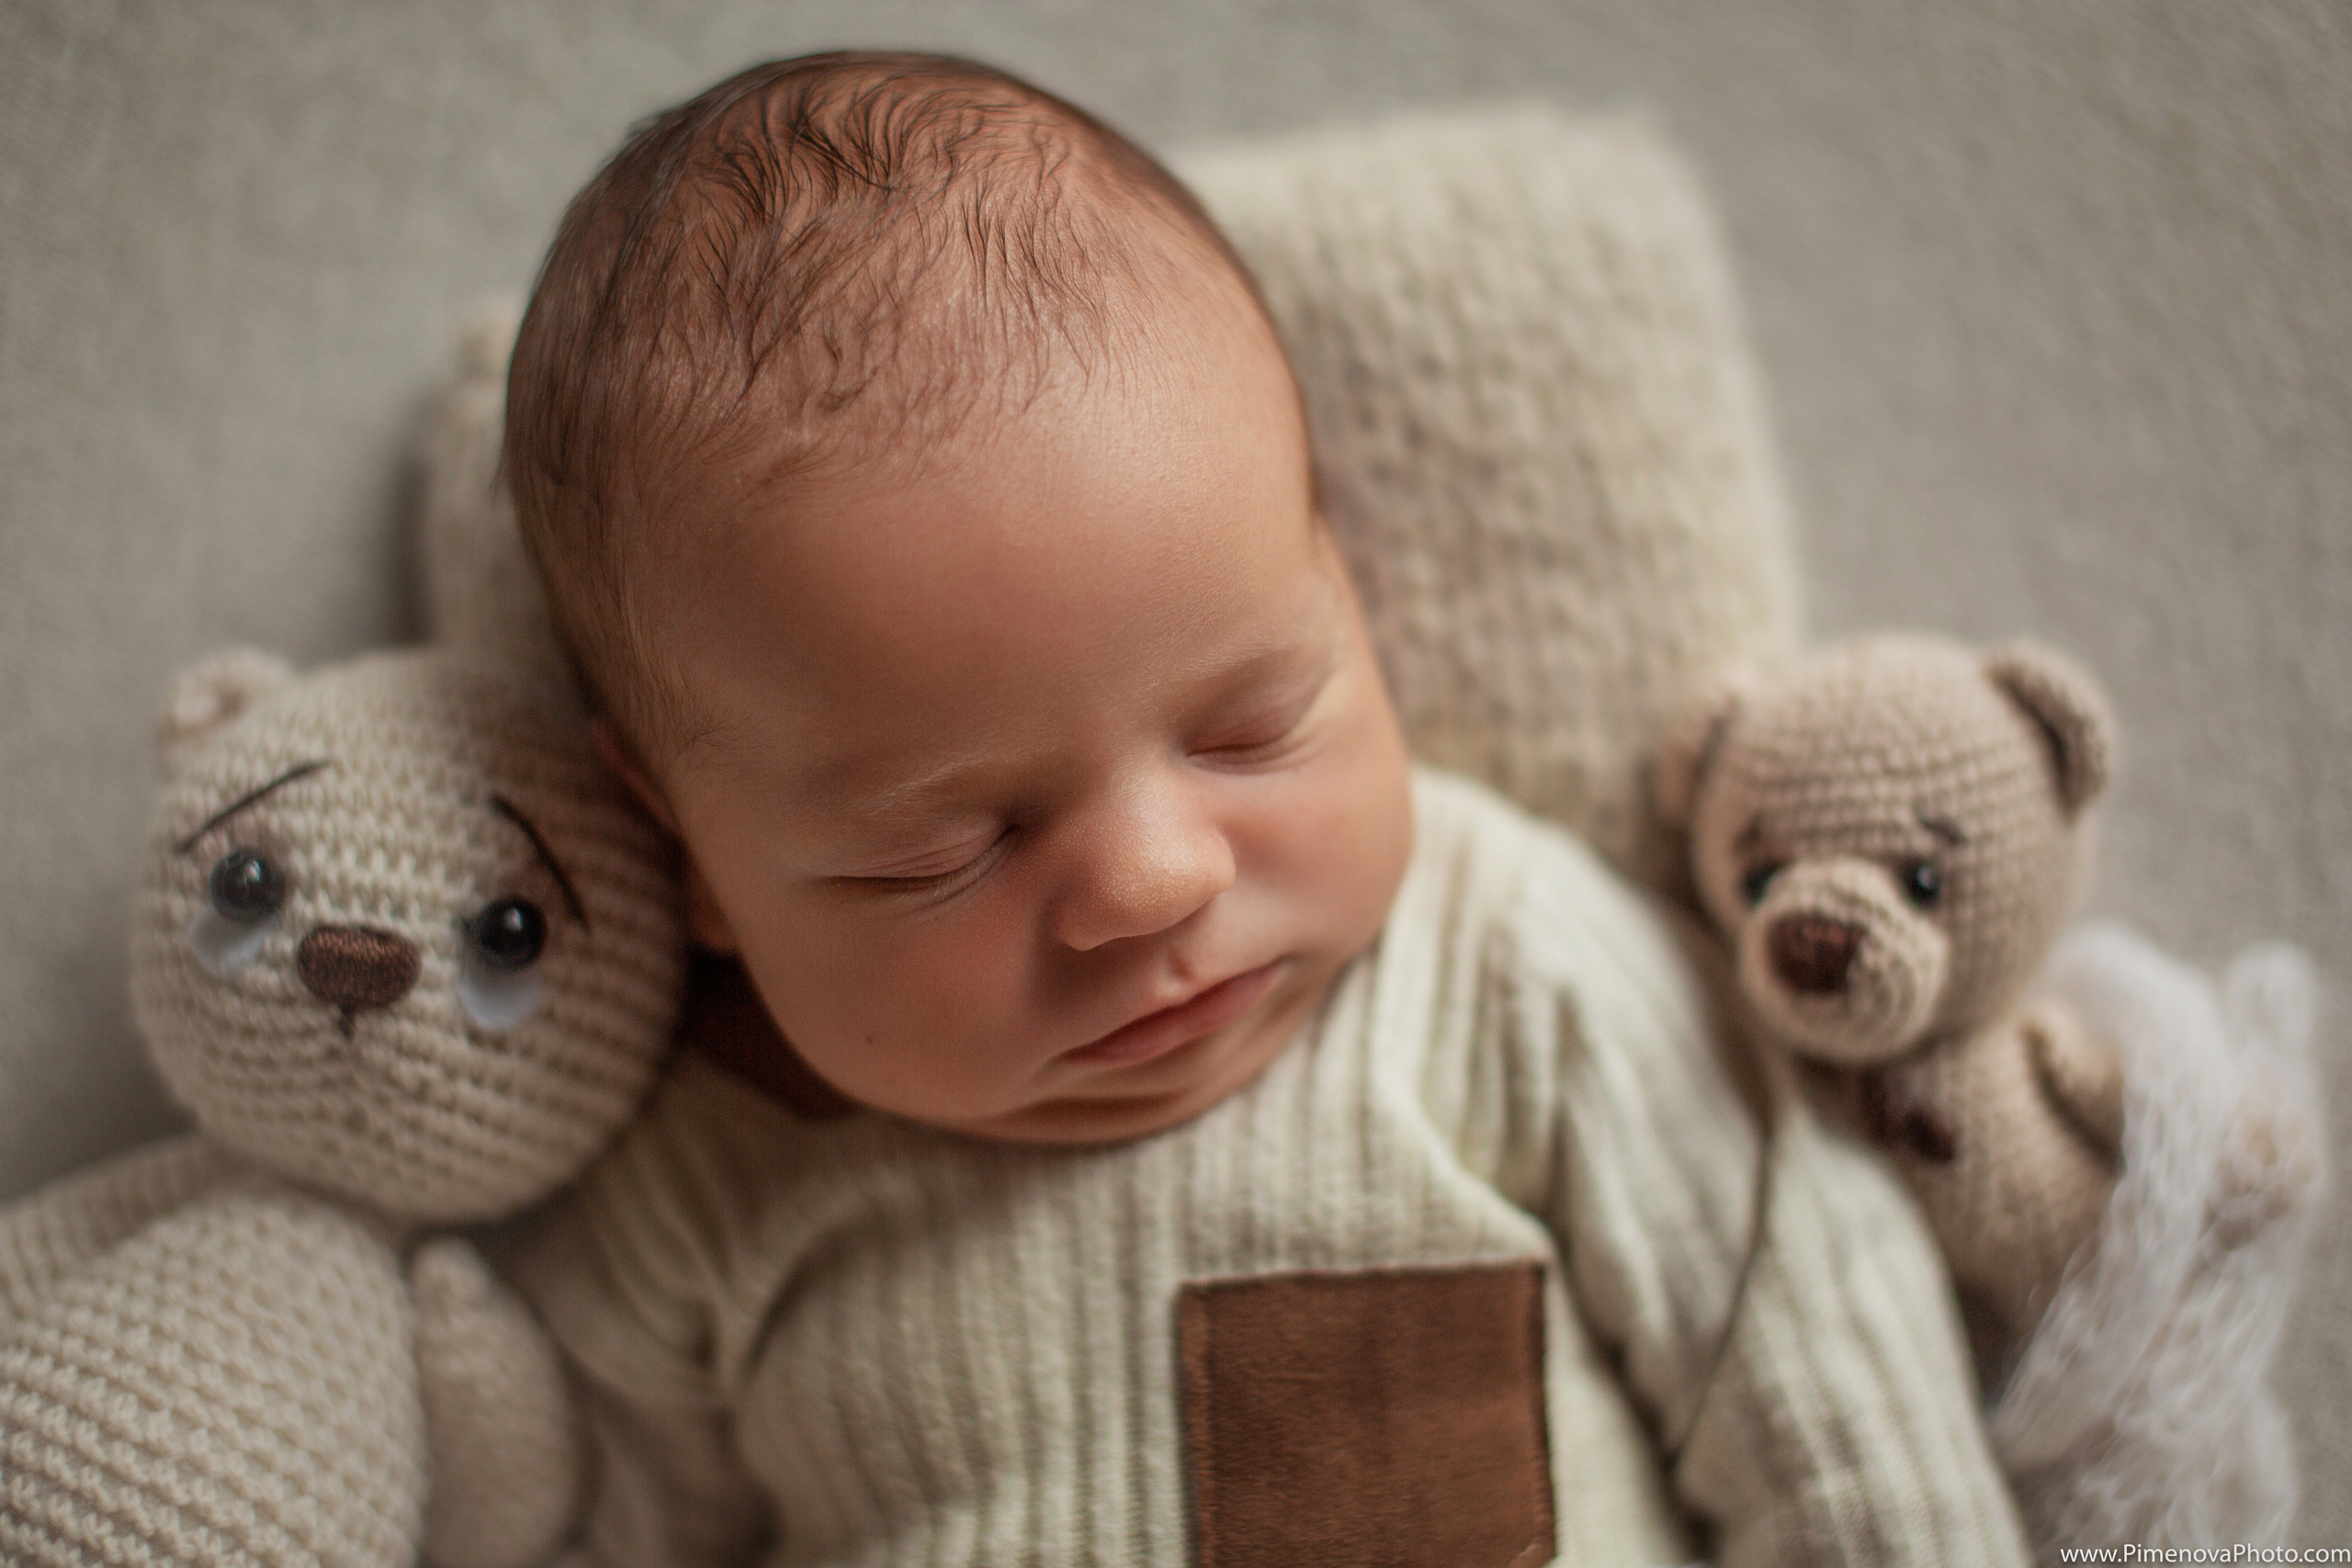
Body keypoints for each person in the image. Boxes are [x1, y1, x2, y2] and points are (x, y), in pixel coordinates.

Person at [504, 50, 2027, 1566]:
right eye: (946, 847)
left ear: (1340, 584)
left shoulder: (1502, 965)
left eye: (1250, 725)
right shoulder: (711, 1178)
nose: (1156, 882)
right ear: (692, 854)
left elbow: (1809, 1342)